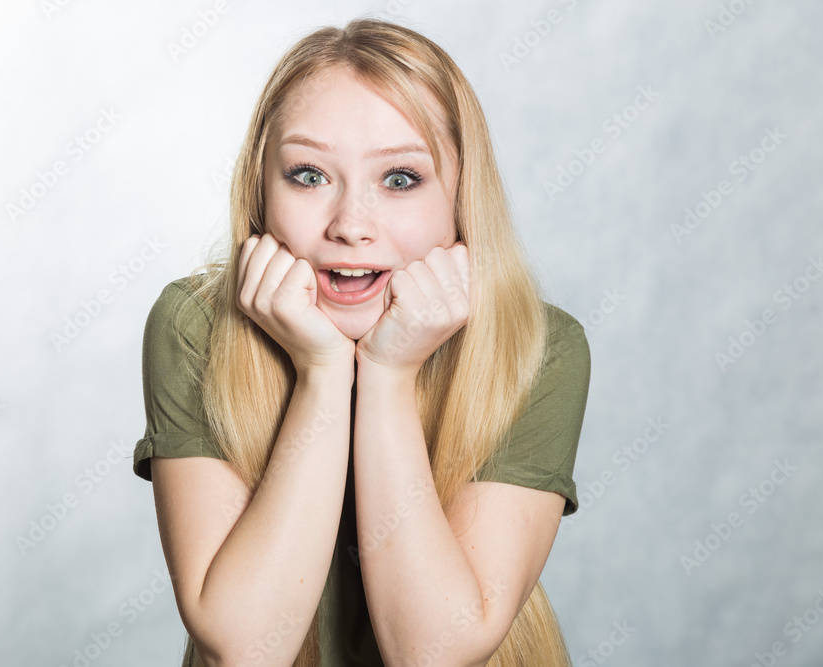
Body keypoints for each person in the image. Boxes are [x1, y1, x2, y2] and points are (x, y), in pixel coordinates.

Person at [133, 17, 591, 667]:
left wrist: (388, 373)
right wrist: (322, 371)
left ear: (462, 198)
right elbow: (242, 647)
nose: (351, 224)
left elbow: (433, 653)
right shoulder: (194, 328)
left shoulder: (538, 348)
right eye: (309, 175)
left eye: (400, 178)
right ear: (261, 191)